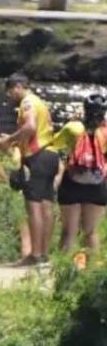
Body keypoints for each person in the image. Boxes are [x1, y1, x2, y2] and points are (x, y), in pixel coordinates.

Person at [0, 72, 59, 266]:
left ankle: (36, 254)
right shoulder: (41, 102)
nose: (10, 97)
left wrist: (9, 140)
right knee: (47, 205)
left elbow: (31, 127)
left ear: (18, 86)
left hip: (37, 156)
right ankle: (45, 254)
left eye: (10, 92)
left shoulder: (27, 102)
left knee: (34, 207)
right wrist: (18, 139)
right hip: (51, 153)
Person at [50, 95, 107, 252]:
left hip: (72, 183)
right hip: (97, 186)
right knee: (91, 233)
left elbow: (54, 144)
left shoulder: (73, 127)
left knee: (69, 232)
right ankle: (89, 273)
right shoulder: (105, 132)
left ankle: (63, 271)